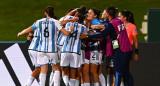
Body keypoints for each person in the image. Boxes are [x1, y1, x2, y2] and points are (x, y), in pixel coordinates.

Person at [17, 6, 74, 86]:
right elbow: (66, 33)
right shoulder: (55, 22)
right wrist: (70, 29)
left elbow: (29, 29)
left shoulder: (39, 22)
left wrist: (20, 33)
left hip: (41, 50)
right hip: (52, 50)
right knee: (57, 68)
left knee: (43, 71)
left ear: (45, 13)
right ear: (53, 13)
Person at [80, 6, 134, 86]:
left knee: (117, 72)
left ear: (108, 14)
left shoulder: (111, 24)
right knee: (127, 73)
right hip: (128, 49)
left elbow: (102, 35)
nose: (103, 13)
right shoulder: (120, 20)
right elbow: (115, 35)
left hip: (120, 50)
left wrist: (87, 36)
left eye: (104, 12)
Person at [60, 8, 87, 86]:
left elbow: (59, 24)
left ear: (76, 17)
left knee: (64, 71)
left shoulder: (68, 24)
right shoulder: (83, 28)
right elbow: (83, 37)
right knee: (73, 72)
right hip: (76, 51)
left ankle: (67, 84)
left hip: (66, 49)